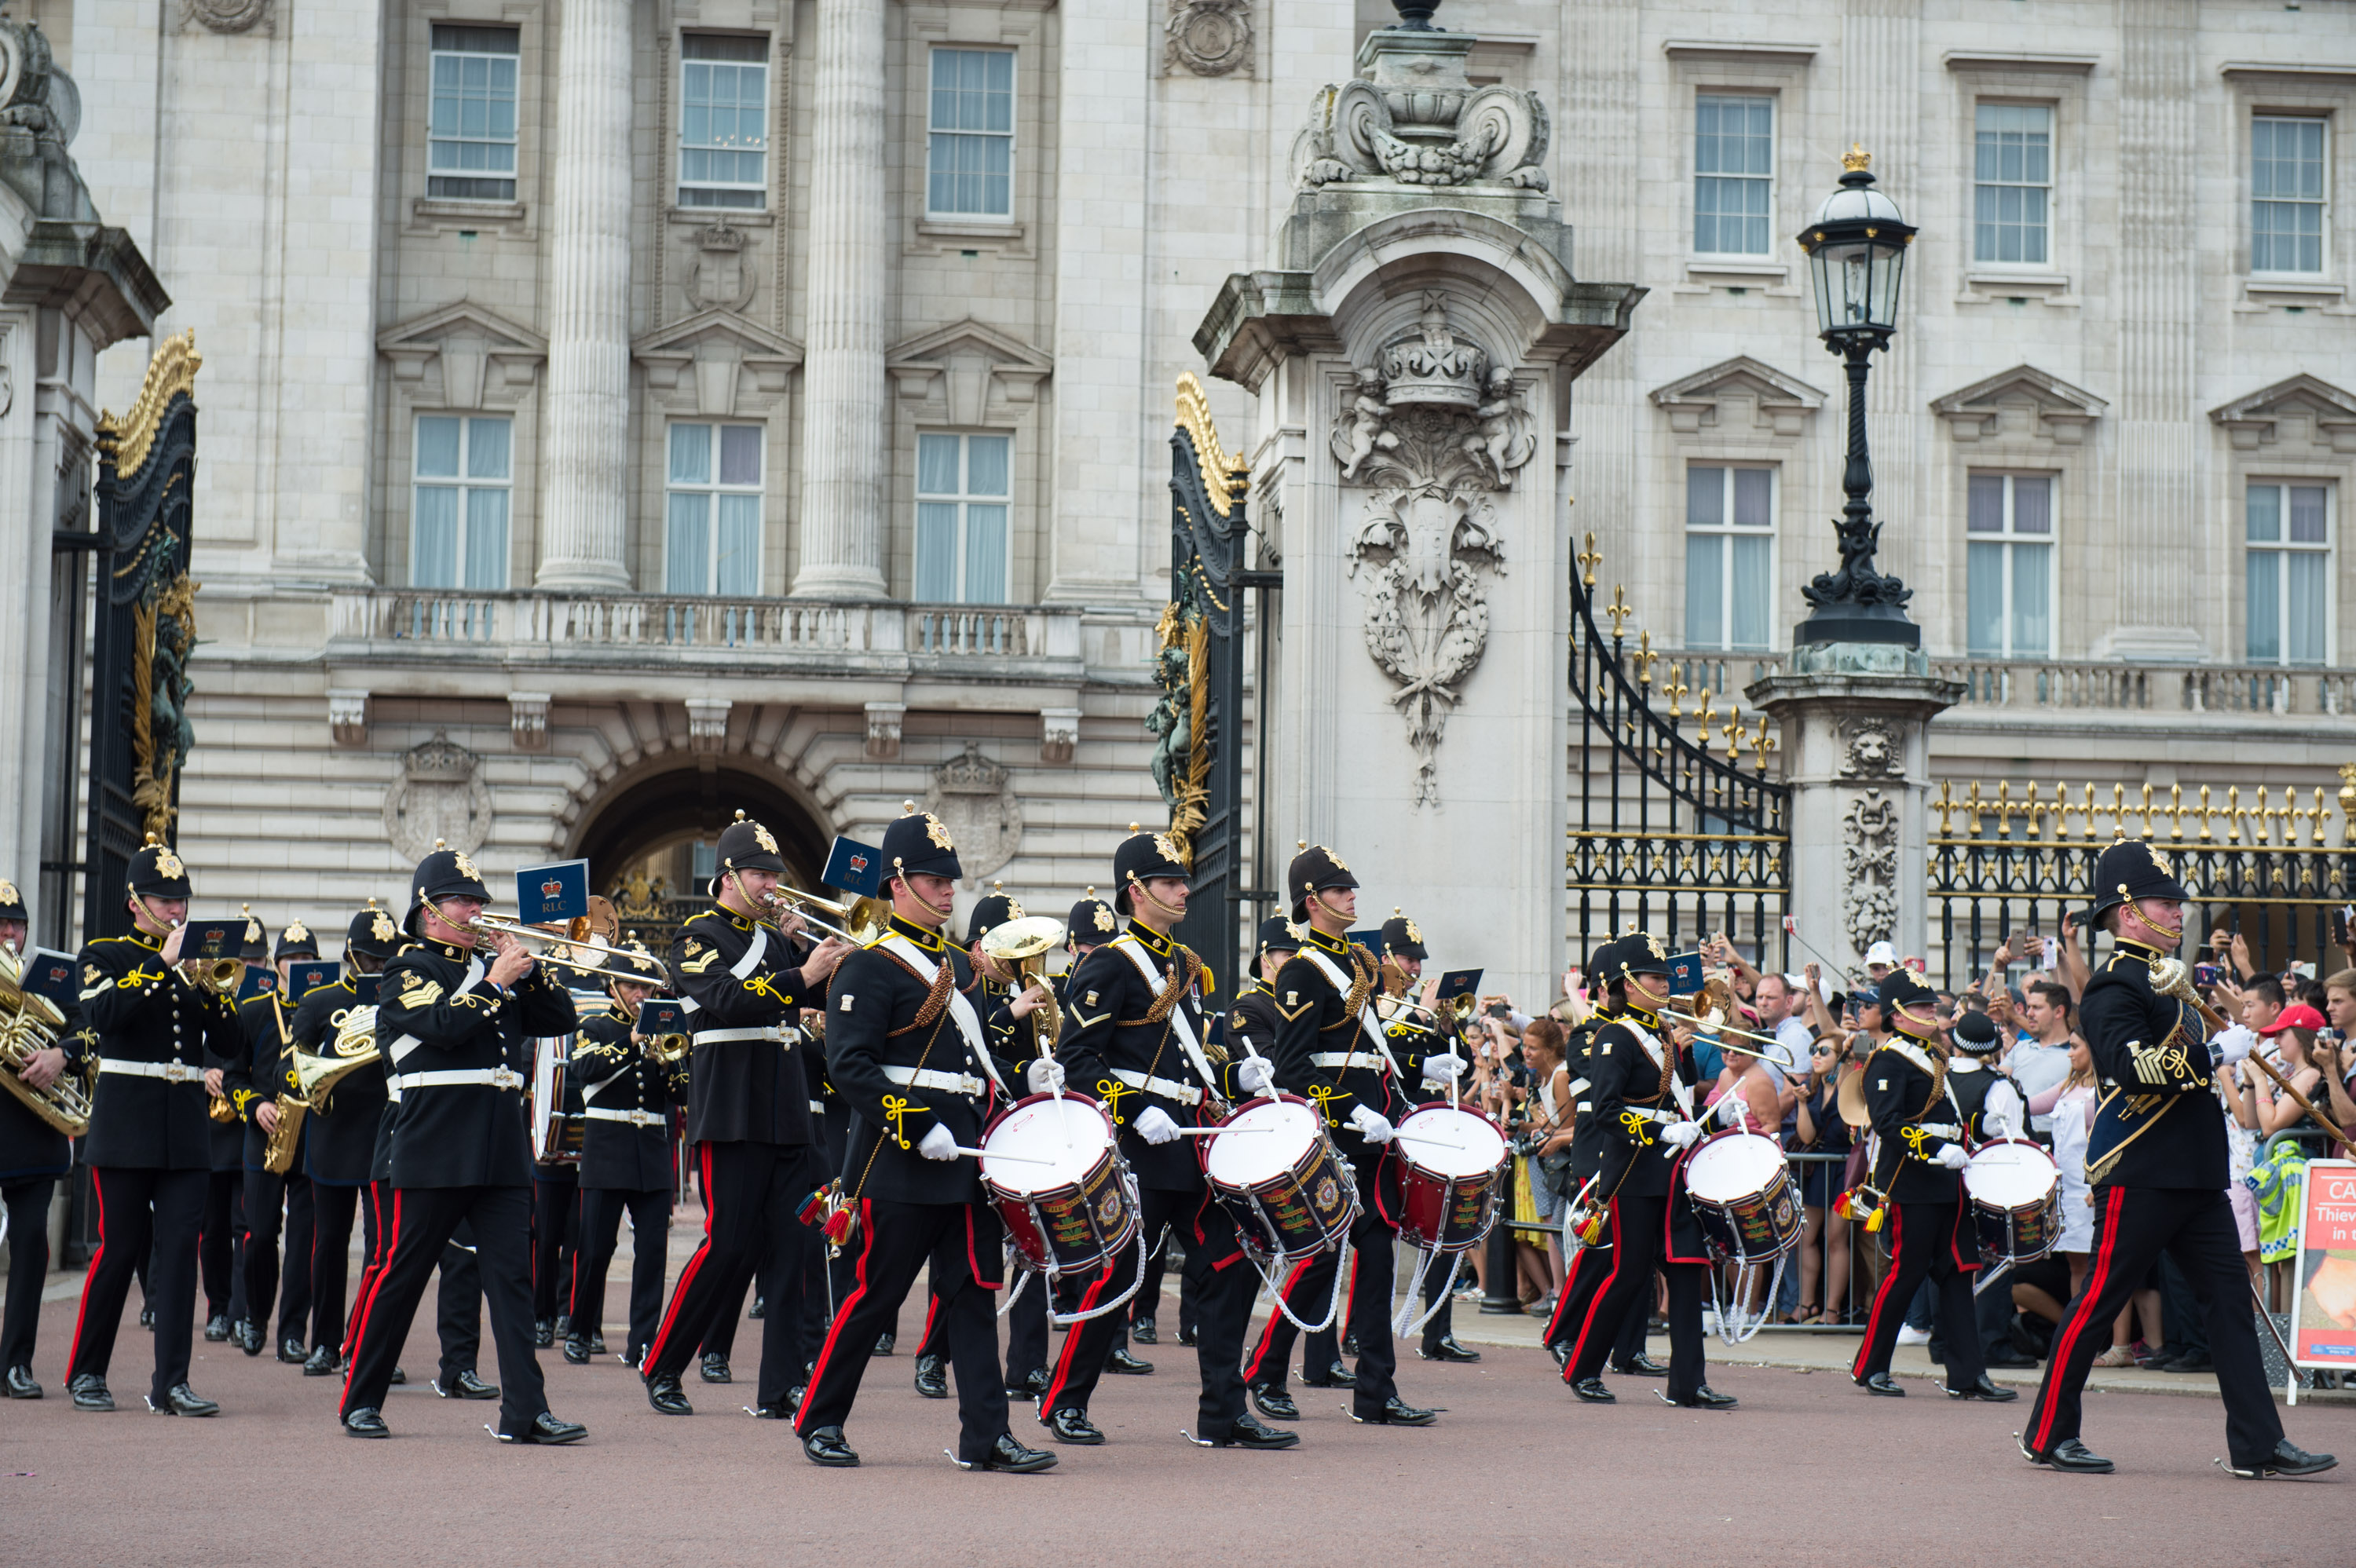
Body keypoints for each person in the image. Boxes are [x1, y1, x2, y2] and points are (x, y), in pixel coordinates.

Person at [2018, 839, 2334, 1478]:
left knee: (2230, 1302)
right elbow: (2130, 1066)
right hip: (2140, 1170)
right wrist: (2214, 1054)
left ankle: (2257, 1443)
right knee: (2099, 1303)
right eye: (2166, 902)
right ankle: (2048, 1431)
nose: (2178, 911)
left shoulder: (2173, 979)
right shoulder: (2113, 984)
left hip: (2195, 1172)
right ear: (2129, 912)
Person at [792, 806, 1055, 1473]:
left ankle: (986, 1436)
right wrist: (914, 1123)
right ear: (897, 882)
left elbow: (973, 1059)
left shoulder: (961, 967)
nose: (947, 890)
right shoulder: (869, 966)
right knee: (874, 1296)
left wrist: (1028, 1067)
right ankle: (820, 1419)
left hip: (964, 1158)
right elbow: (847, 1066)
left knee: (972, 1296)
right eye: (935, 878)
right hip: (898, 1161)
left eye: (951, 879)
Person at [1038, 828, 1293, 1449]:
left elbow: (1199, 1058)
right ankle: (1065, 1401)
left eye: (1183, 880)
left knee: (1228, 1265)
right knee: (1116, 1274)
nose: (1184, 890)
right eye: (1171, 881)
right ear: (1137, 891)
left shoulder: (1186, 967)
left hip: (1188, 1147)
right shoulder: (1110, 962)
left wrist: (1239, 1073)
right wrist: (1133, 1109)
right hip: (1134, 1150)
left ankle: (1223, 1413)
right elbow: (1076, 1058)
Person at [338, 842, 585, 1443]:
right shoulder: (407, 969)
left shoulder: (492, 971)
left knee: (512, 1283)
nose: (475, 910)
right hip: (434, 1143)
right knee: (402, 1273)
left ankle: (523, 1410)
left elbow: (562, 1016)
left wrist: (532, 965)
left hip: (498, 1147)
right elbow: (443, 1027)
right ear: (428, 909)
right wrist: (496, 981)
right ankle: (361, 1398)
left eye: (478, 901)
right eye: (462, 900)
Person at [639, 813, 851, 1420]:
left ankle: (779, 1383)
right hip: (730, 1113)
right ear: (728, 875)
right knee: (728, 1246)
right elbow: (727, 1000)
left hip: (788, 1113)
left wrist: (826, 958)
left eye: (775, 874)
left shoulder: (783, 939)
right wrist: (798, 971)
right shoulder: (697, 935)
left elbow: (815, 996)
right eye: (760, 874)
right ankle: (664, 1362)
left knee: (793, 1248)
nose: (771, 885)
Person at [62, 838, 244, 1416]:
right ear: (136, 902)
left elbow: (233, 1044)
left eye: (181, 900)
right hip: (126, 1124)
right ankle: (88, 1370)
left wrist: (213, 990)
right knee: (119, 1249)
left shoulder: (195, 966)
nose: (176, 911)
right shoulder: (104, 953)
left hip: (185, 1127)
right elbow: (106, 1014)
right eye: (165, 900)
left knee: (178, 1254)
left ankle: (172, 1381)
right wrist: (161, 963)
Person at [1262, 843, 1440, 1427]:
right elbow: (1293, 1066)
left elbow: (1370, 1051)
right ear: (1312, 901)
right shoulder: (1301, 970)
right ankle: (1264, 1373)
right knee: (1317, 1260)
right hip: (1339, 1137)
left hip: (1374, 1131)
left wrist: (1415, 1074)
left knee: (1378, 1257)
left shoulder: (1361, 964)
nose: (1352, 896)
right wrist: (1348, 1113)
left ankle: (1376, 1393)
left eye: (1351, 888)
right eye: (1340, 891)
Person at [1556, 931, 1732, 1409]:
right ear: (1628, 984)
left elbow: (1684, 1091)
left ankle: (1688, 1384)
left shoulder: (1660, 1032)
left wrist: (1705, 1101)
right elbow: (1607, 1109)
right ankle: (1583, 1368)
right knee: (1629, 1275)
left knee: (1685, 1271)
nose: (1664, 983)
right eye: (1655, 977)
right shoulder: (1615, 1035)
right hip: (1635, 1172)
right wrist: (1659, 1132)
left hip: (1674, 1174)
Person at [1845, 967, 2012, 1403]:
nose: (1931, 1014)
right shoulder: (1888, 1058)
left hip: (1948, 1182)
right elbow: (1888, 1122)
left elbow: (1947, 1117)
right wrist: (1934, 1148)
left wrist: (1974, 1132)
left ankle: (1968, 1374)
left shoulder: (1934, 1056)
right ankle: (1871, 1366)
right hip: (1912, 1183)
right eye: (1921, 1007)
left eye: (1930, 1007)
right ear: (1896, 1015)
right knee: (1905, 1275)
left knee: (1958, 1276)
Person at [565, 940, 688, 1369]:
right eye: (633, 987)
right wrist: (634, 1042)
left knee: (653, 1252)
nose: (642, 996)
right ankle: (580, 1329)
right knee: (596, 1249)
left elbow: (685, 1093)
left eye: (648, 988)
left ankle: (643, 1340)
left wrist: (673, 1062)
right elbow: (586, 1069)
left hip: (652, 1151)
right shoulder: (595, 1027)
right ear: (612, 986)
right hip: (607, 1150)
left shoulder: (664, 1029)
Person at [288, 901, 399, 1376]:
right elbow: (289, 1066)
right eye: (372, 960)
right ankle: (326, 1343)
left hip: (383, 1135)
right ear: (352, 956)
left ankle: (370, 1345)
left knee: (383, 1248)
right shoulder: (318, 1003)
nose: (379, 968)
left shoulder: (399, 1000)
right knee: (329, 1245)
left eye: (385, 960)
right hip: (333, 1133)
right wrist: (322, 1069)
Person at [1, 880, 86, 1400]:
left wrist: (61, 1055)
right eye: (0, 924)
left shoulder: (51, 975)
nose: (8, 932)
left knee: (31, 1245)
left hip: (31, 1134)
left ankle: (15, 1363)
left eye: (16, 923)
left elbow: (87, 1027)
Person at [225, 919, 320, 1366]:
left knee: (304, 1240)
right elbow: (233, 1076)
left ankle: (292, 1333)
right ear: (277, 965)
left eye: (307, 959)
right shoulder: (256, 1010)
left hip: (312, 1139)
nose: (299, 966)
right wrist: (255, 1104)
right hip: (263, 1137)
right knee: (260, 1235)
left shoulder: (325, 1011)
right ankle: (257, 1316)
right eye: (292, 959)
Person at [1790, 1033, 1853, 1326]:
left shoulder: (1848, 1086)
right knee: (1805, 1237)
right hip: (1817, 1168)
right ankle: (1806, 1304)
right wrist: (1801, 1104)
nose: (1815, 1055)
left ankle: (1832, 1309)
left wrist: (1844, 1069)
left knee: (1836, 1239)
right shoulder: (1810, 1087)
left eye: (1824, 1051)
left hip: (1843, 1167)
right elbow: (1806, 1137)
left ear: (1839, 1058)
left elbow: (1848, 1125)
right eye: (1814, 1049)